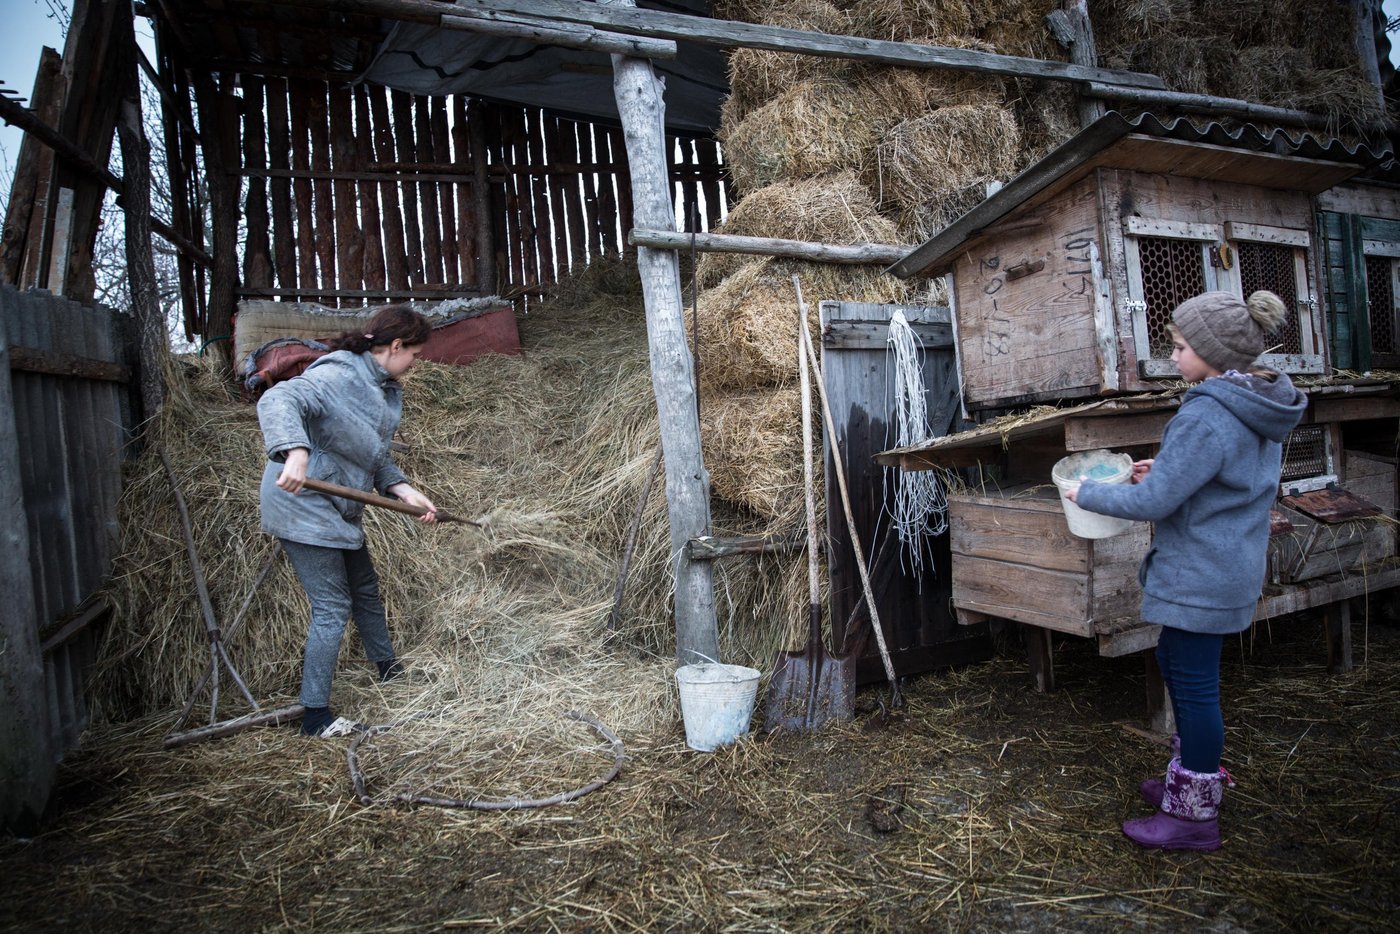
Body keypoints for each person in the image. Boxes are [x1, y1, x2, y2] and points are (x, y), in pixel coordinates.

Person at [1065, 290, 1307, 851]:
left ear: (1213, 353)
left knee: (1196, 691)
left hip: (1202, 572)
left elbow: (1152, 505)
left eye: (1178, 347)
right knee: (1177, 663)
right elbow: (1224, 476)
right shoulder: (1257, 401)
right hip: (1227, 565)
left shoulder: (1206, 412)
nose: (1171, 357)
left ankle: (1193, 817)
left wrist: (1089, 492)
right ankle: (1186, 777)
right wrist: (1168, 469)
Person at [257, 305, 439, 737]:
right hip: (302, 500)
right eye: (414, 352)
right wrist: (295, 452)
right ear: (395, 346)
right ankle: (316, 716)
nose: (416, 362)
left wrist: (404, 490)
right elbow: (279, 398)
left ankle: (388, 669)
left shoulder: (380, 386)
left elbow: (368, 453)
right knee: (332, 606)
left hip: (336, 504)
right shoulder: (338, 374)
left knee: (364, 589)